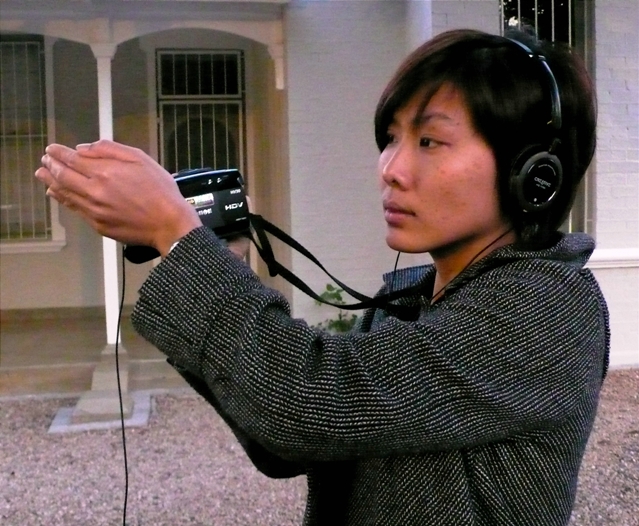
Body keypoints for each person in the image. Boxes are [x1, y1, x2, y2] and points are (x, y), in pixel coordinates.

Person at [36, 28, 608, 526]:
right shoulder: (409, 299)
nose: (390, 169)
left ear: (535, 175)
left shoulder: (549, 310)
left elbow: (307, 399)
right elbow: (288, 444)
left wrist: (176, 233)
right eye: (391, 139)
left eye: (429, 141)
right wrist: (213, 263)